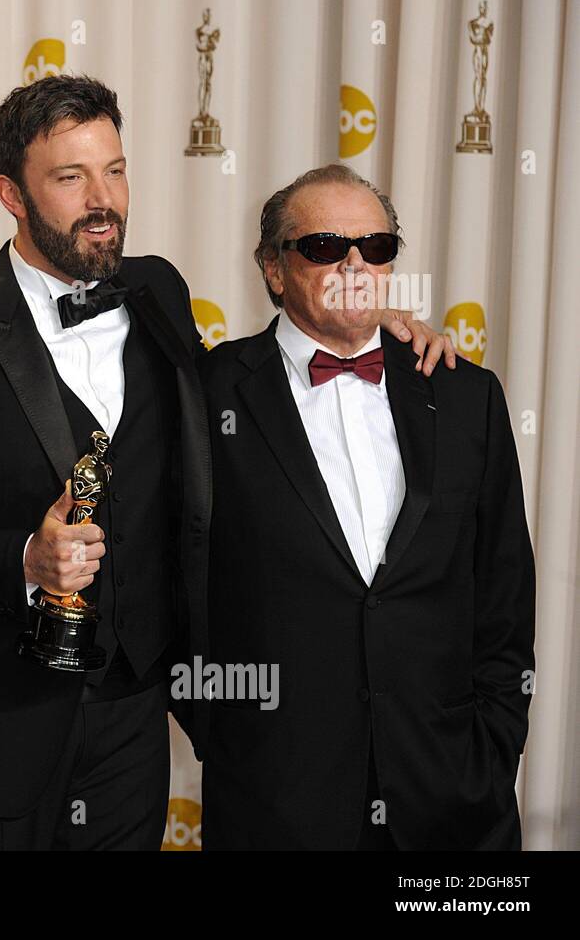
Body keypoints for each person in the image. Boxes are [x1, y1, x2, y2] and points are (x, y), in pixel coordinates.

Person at [0, 76, 453, 850]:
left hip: (134, 724)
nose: (103, 198)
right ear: (11, 193)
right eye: (71, 177)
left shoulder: (158, 290)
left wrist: (367, 318)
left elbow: (251, 393)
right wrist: (20, 558)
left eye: (114, 170)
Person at [199, 164, 534, 849]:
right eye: (325, 247)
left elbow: (504, 593)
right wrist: (235, 738)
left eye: (376, 248)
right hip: (275, 804)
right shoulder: (207, 395)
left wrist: (494, 747)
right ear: (273, 268)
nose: (354, 263)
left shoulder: (468, 395)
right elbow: (173, 587)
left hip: (452, 801)